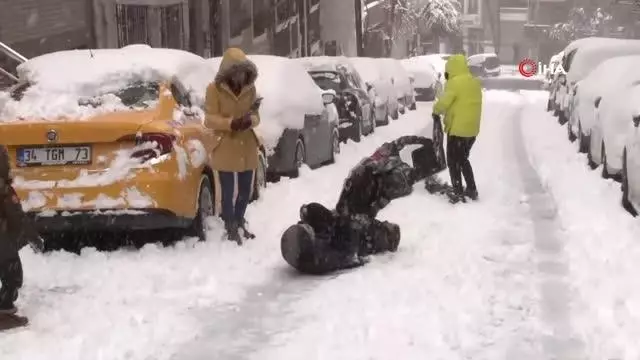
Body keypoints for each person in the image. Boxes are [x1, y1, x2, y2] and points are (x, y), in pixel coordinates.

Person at [281, 135, 443, 275]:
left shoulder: (378, 178)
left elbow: (347, 254)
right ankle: (318, 228)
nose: (386, 223)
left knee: (342, 220)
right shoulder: (380, 183)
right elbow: (395, 148)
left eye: (387, 226)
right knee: (344, 219)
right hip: (350, 215)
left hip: (347, 219)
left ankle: (315, 229)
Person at [204, 48, 261, 245]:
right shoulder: (214, 90)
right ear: (228, 72)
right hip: (226, 145)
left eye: (243, 72)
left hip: (246, 144)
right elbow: (209, 119)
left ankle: (239, 220)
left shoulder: (250, 89)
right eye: (236, 72)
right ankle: (229, 225)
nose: (240, 76)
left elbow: (257, 116)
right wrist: (230, 124)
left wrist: (250, 121)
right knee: (227, 191)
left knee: (246, 190)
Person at [0, 145, 44, 323]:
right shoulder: (5, 192)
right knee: (13, 275)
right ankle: (4, 309)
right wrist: (33, 237)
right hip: (3, 244)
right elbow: (18, 218)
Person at [432, 54, 482, 204]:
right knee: (462, 159)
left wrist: (436, 111)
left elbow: (444, 103)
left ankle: (460, 190)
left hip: (458, 130)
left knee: (454, 161)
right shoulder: (474, 82)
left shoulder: (454, 83)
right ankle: (470, 189)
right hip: (472, 131)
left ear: (452, 69)